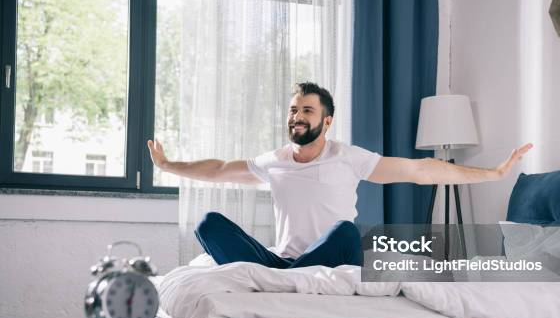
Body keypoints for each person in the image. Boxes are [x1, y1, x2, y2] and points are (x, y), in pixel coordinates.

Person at [148, 82, 532, 269]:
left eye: (307, 111)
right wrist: (168, 166)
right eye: (293, 110)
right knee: (209, 223)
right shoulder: (274, 161)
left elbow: (418, 170)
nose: (297, 117)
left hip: (331, 259)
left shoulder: (348, 157)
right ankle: (287, 280)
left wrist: (493, 173)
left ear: (326, 121)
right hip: (281, 264)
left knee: (345, 232)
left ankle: (293, 281)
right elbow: (218, 170)